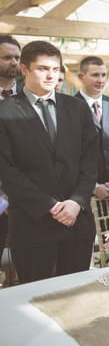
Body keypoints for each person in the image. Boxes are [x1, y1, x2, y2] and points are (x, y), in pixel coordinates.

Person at [0, 41, 98, 284]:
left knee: (76, 299)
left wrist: (77, 201)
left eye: (55, 69)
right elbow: (6, 170)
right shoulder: (5, 111)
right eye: (43, 68)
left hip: (76, 224)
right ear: (24, 69)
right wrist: (50, 206)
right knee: (37, 304)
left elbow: (91, 160)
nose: (51, 75)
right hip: (33, 226)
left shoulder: (77, 108)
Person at [75, 56, 109, 230]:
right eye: (95, 75)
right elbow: (68, 153)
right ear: (82, 77)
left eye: (103, 75)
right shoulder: (70, 108)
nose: (101, 80)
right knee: (85, 247)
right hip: (82, 193)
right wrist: (93, 187)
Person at [0, 34, 22, 263]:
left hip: (29, 203)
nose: (14, 62)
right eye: (7, 57)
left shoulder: (30, 98)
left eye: (17, 57)